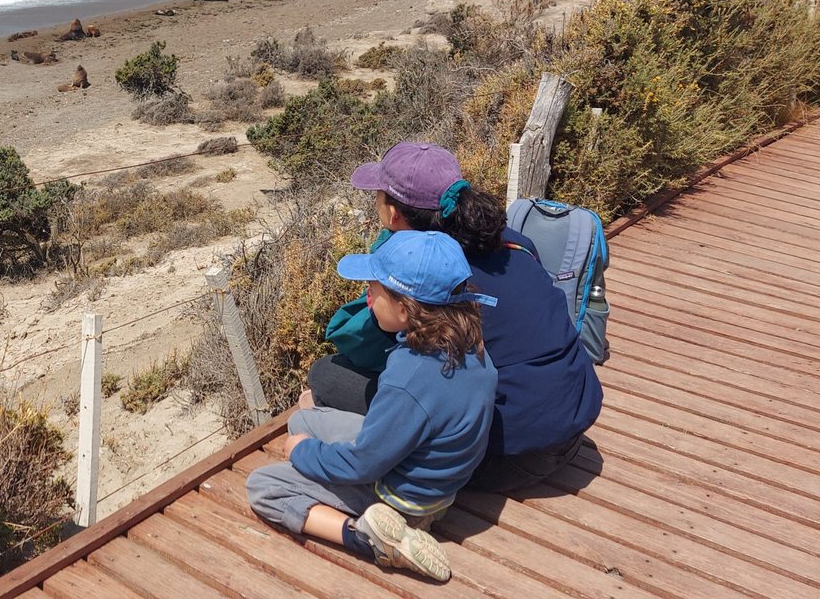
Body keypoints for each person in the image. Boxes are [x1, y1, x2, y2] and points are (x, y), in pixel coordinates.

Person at [308, 141, 602, 492]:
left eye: (378, 196)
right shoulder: (514, 242)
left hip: (506, 457)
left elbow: (362, 348)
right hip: (574, 423)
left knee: (326, 375)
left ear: (393, 214)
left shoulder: (424, 278)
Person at [247, 231, 498, 581]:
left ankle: (369, 538)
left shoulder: (410, 374)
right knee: (304, 421)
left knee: (263, 485)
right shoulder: (469, 343)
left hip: (401, 498)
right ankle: (381, 517)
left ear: (404, 307)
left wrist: (303, 453)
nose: (368, 297)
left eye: (373, 289)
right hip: (438, 482)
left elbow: (362, 465)